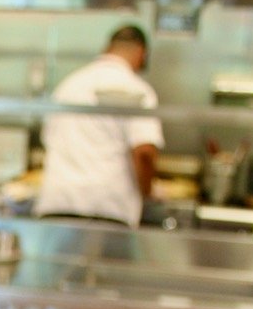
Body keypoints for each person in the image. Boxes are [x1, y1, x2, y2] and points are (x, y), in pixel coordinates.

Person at [34, 25, 164, 226]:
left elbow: (48, 139)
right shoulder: (136, 90)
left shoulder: (68, 85)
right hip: (108, 212)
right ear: (141, 53)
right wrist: (147, 192)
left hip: (57, 207)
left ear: (107, 48)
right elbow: (145, 153)